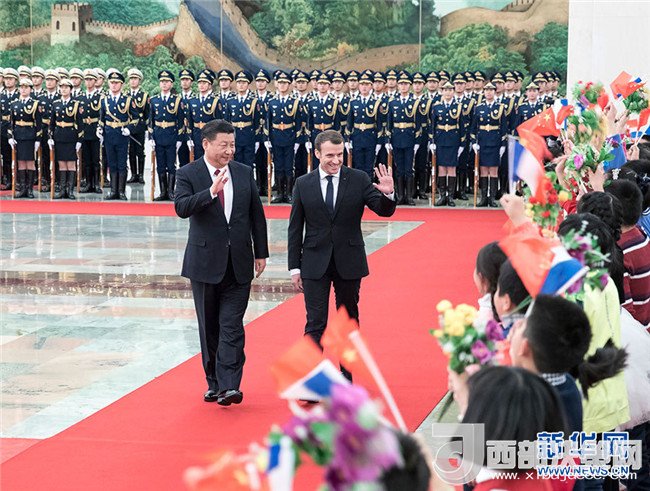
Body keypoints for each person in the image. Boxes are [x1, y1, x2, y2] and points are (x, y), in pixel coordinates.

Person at [287, 130, 396, 380]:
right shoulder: (303, 183)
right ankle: (313, 380)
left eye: (339, 155)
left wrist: (388, 194)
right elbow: (295, 228)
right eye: (330, 156)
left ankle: (347, 376)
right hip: (314, 262)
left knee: (347, 320)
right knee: (315, 323)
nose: (336, 160)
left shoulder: (358, 179)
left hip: (349, 261)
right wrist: (295, 267)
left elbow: (383, 210)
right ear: (317, 154)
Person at [174, 119, 268, 406]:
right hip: (204, 263)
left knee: (231, 325)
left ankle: (230, 385)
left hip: (238, 261)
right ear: (206, 144)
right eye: (223, 145)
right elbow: (181, 207)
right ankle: (214, 382)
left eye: (232, 145)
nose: (230, 151)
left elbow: (256, 214)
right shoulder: (188, 173)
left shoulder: (243, 172)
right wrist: (210, 192)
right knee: (209, 326)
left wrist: (260, 252)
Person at [98, 70, 137, 200]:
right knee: (111, 163)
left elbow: (136, 118)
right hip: (109, 135)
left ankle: (121, 191)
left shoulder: (128, 100)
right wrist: (100, 129)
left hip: (122, 135)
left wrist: (129, 129)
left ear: (121, 84)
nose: (114, 85)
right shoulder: (105, 100)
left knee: (122, 163)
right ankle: (113, 190)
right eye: (112, 82)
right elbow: (102, 118)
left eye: (116, 83)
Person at [148, 70, 184, 201]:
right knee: (160, 165)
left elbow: (180, 121)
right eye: (162, 81)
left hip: (171, 136)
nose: (164, 84)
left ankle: (171, 191)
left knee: (171, 165)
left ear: (171, 84)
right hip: (158, 136)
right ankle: (162, 192)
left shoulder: (177, 100)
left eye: (167, 81)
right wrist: (151, 137)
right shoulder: (154, 100)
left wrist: (179, 139)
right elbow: (151, 120)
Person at [470, 81, 507, 207]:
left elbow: (503, 127)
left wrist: (503, 144)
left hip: (495, 142)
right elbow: (473, 127)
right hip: (482, 141)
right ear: (484, 92)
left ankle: (492, 198)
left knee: (493, 171)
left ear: (494, 92)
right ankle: (483, 197)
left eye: (491, 90)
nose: (489, 92)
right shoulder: (478, 108)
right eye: (486, 90)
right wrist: (474, 142)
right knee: (483, 170)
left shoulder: (500, 107)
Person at [49, 78, 83, 200]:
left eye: (66, 87)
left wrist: (79, 140)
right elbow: (52, 123)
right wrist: (50, 137)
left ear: (71, 89)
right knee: (62, 164)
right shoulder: (56, 104)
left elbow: (80, 124)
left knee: (71, 164)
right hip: (59, 136)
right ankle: (62, 190)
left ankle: (70, 190)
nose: (63, 89)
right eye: (62, 87)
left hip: (71, 137)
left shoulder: (76, 104)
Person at [8, 77, 42, 199]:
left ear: (30, 89)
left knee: (30, 162)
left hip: (30, 136)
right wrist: (10, 136)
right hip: (18, 136)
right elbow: (11, 122)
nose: (23, 89)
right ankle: (22, 188)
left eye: (26, 87)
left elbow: (38, 124)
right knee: (21, 162)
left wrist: (38, 139)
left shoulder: (35, 104)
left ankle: (29, 189)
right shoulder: (14, 104)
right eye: (21, 87)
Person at [185, 69, 223, 162]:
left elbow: (219, 122)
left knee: (211, 159)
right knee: (198, 160)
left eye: (204, 83)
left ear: (210, 85)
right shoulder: (192, 100)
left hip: (210, 134)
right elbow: (189, 121)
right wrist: (189, 137)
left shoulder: (215, 101)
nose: (201, 85)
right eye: (200, 83)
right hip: (197, 134)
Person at [78, 69, 103, 194]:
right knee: (86, 159)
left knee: (96, 159)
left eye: (91, 80)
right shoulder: (80, 97)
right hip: (84, 131)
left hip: (95, 130)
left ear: (95, 81)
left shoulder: (100, 97)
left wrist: (100, 128)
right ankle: (88, 183)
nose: (88, 82)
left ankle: (96, 184)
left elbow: (102, 115)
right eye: (86, 80)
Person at [126, 68, 149, 185]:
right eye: (131, 79)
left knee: (140, 151)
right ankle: (133, 174)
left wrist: (147, 129)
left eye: (135, 79)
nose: (133, 81)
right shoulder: (125, 95)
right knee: (131, 151)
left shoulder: (144, 96)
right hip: (128, 128)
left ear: (139, 81)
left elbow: (147, 114)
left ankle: (141, 175)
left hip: (139, 127)